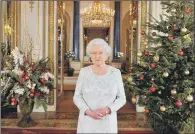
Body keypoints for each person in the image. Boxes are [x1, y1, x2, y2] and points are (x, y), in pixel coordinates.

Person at [73, 38, 126, 133]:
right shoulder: (84, 72)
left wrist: (108, 110)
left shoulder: (115, 73)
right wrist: (89, 112)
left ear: (106, 54)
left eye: (101, 53)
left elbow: (122, 98)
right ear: (90, 55)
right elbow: (77, 97)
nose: (97, 56)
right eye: (94, 53)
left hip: (108, 122)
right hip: (87, 122)